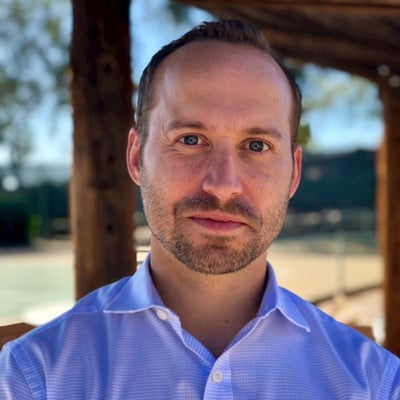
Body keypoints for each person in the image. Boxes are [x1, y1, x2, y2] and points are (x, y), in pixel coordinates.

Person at [0, 19, 399, 399]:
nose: (223, 185)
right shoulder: (32, 379)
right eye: (190, 139)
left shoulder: (376, 384)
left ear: (294, 173)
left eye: (256, 146)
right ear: (137, 157)